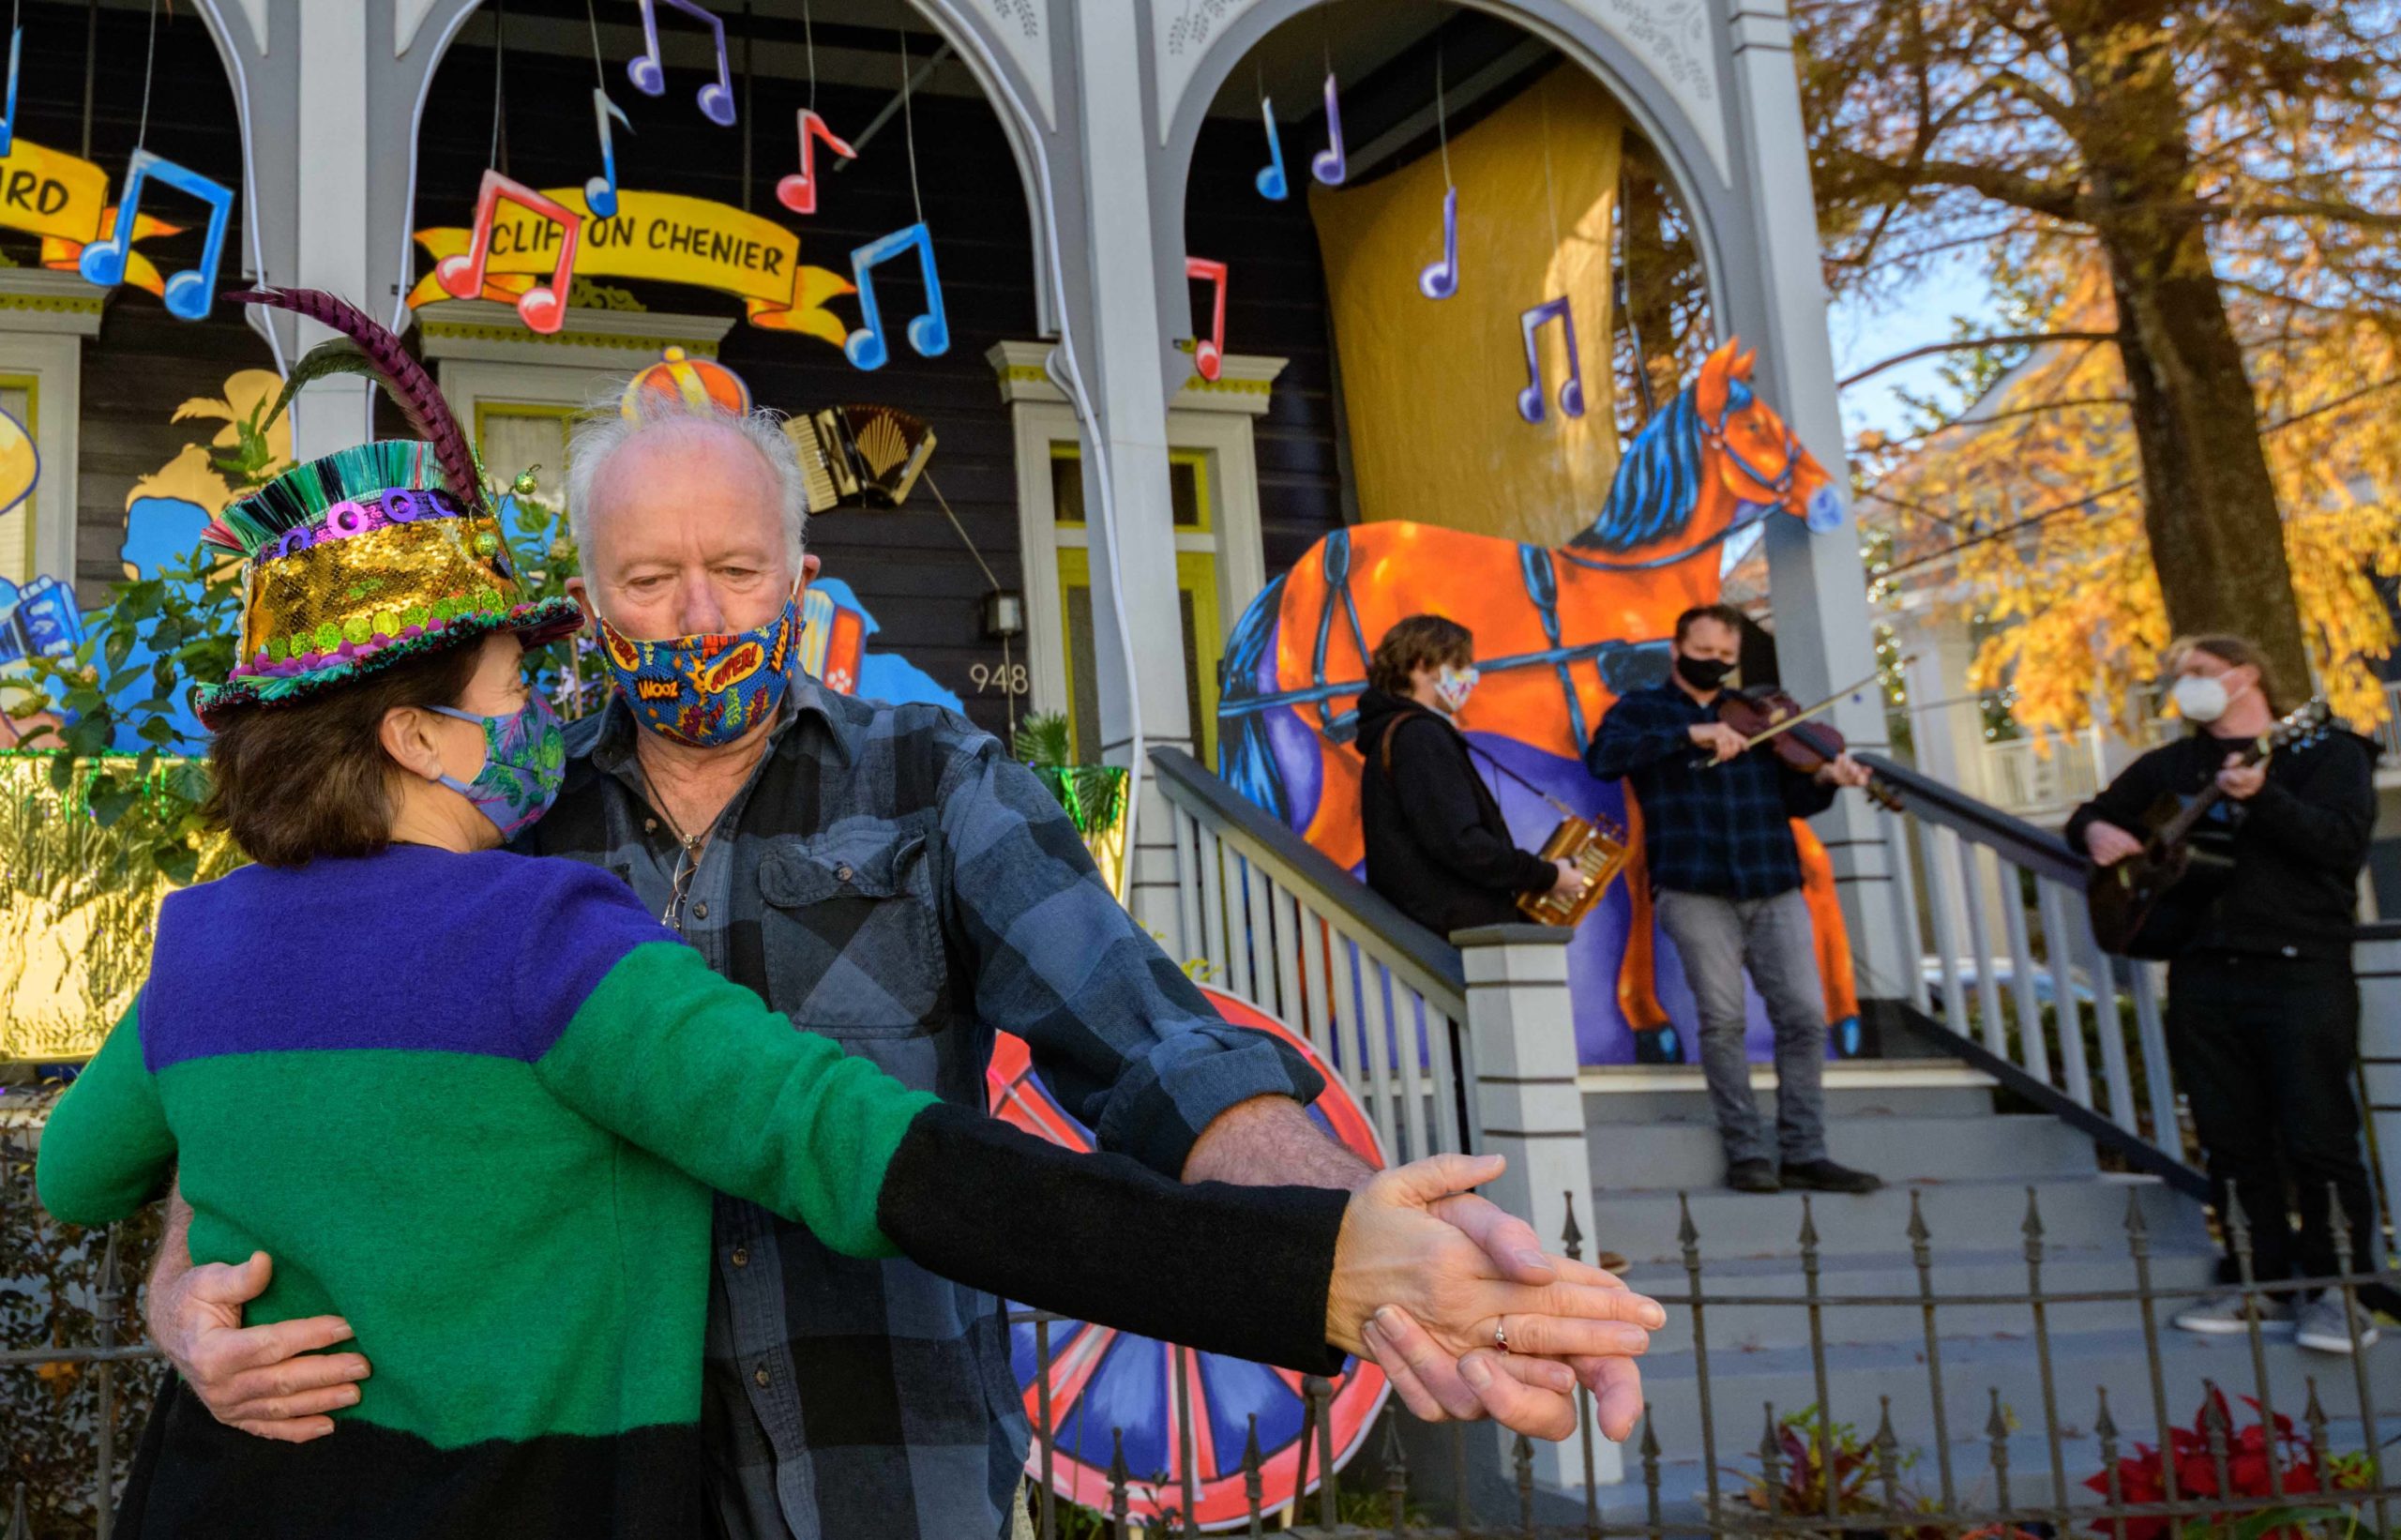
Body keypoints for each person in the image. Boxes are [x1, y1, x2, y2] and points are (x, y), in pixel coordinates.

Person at [35, 359, 1665, 1534]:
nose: (694, 614)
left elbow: (1151, 1041)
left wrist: (1333, 1235)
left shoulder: (933, 781)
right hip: (607, 1471)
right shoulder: (508, 845)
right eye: (650, 580)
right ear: (590, 607)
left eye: (735, 570)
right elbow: (248, 1113)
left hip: (874, 1459)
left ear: (804, 578)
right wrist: (192, 1301)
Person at [2067, 633, 2381, 1353]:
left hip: (2301, 965)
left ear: (2246, 676)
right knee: (2230, 1136)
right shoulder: (2172, 765)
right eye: (2179, 677)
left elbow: (2339, 847)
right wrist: (2098, 833)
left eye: (2200, 674)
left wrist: (2265, 797)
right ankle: (2255, 1280)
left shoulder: (2325, 752)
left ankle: (2343, 1289)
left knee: (2318, 1133)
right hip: (2202, 968)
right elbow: (2090, 813)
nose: (2186, 687)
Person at [1583, 603, 1881, 1196]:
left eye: (1727, 657)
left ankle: (1804, 1150)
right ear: (1676, 649)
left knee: (1802, 1016)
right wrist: (1689, 733)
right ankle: (1747, 1151)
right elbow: (1603, 758)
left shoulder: (1760, 716)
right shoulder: (1643, 711)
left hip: (1772, 880)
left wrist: (1826, 779)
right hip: (1693, 886)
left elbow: (1793, 797)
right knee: (1723, 1020)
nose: (1716, 665)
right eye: (1705, 653)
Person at [1355, 614, 1588, 935]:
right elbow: (1460, 842)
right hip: (1459, 932)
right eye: (1460, 664)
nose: (1471, 677)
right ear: (1424, 663)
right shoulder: (1419, 735)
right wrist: (1546, 876)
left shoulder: (1400, 733)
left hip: (1441, 926)